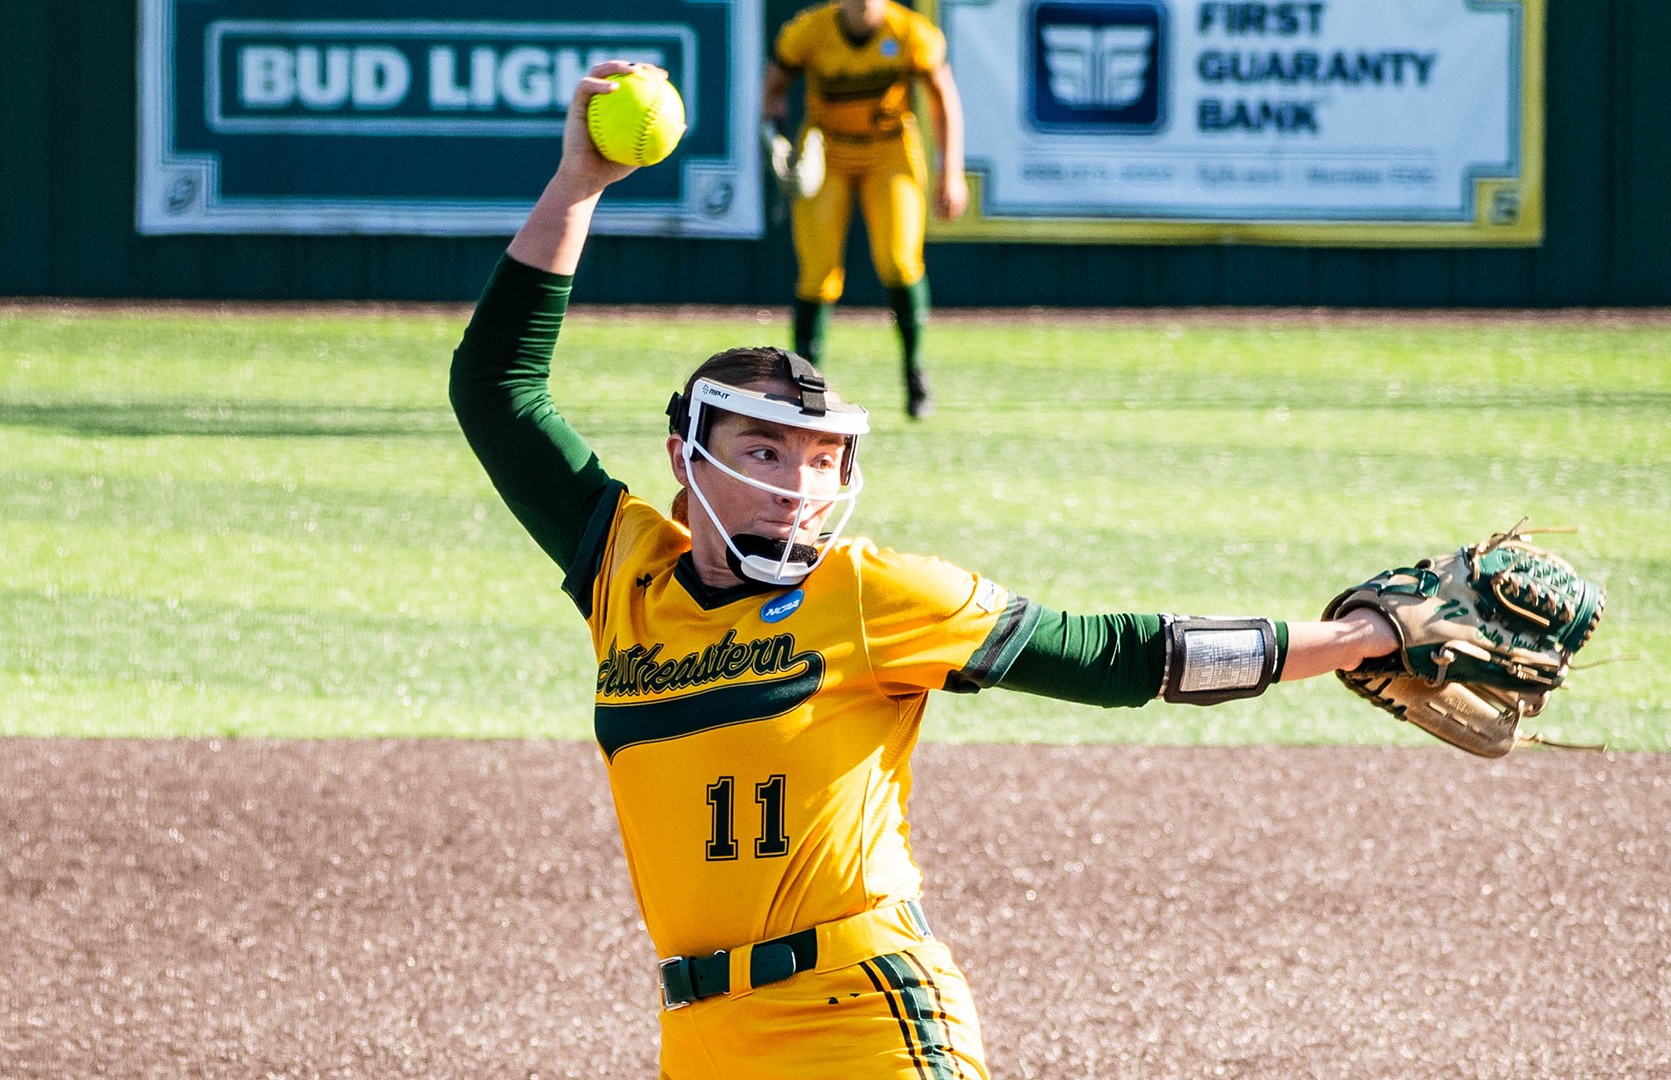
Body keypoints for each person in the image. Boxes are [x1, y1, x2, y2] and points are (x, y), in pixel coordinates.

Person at [449, 62, 1399, 1080]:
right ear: (687, 457)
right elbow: (495, 391)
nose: (798, 488)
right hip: (700, 1039)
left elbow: (1110, 656)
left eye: (822, 462)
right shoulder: (627, 577)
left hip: (863, 1015)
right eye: (764, 451)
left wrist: (1352, 640)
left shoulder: (867, 594)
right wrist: (579, 184)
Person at [762, 0, 968, 419]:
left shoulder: (908, 31)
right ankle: (803, 384)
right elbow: (773, 88)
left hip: (888, 148)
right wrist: (776, 136)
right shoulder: (811, 31)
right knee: (818, 272)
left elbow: (943, 98)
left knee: (899, 261)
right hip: (828, 148)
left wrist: (951, 171)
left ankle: (914, 369)